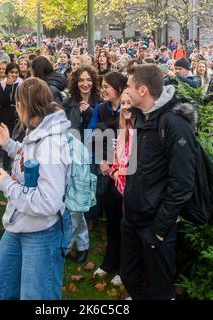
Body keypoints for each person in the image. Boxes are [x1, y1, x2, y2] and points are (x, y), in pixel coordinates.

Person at [0, 77, 72, 300]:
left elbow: (47, 202)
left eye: (17, 105)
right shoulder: (39, 131)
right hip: (18, 224)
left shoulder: (51, 143)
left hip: (42, 232)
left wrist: (6, 184)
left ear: (23, 106)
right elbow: (32, 161)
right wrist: (10, 145)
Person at [121, 64, 198, 300]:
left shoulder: (174, 123)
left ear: (142, 90)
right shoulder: (141, 116)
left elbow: (183, 181)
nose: (126, 91)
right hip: (132, 218)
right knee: (130, 276)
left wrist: (161, 228)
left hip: (156, 224)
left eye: (129, 86)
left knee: (160, 291)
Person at [87, 72, 127, 285]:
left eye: (106, 86)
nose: (102, 90)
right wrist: (101, 159)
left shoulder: (129, 108)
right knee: (111, 219)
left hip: (126, 172)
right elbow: (91, 134)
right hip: (107, 170)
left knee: (124, 222)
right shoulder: (101, 109)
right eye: (102, 86)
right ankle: (109, 262)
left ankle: (123, 267)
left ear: (119, 88)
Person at [62, 65, 101, 263]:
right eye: (81, 80)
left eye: (88, 80)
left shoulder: (100, 102)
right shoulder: (68, 103)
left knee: (77, 204)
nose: (85, 84)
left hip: (92, 157)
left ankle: (69, 245)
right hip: (70, 157)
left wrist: (90, 113)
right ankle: (80, 244)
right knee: (73, 203)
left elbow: (103, 128)